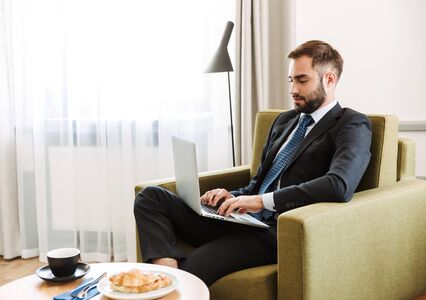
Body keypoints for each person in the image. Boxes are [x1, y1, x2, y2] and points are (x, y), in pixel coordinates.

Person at [134, 40, 372, 286]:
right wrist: (231, 197)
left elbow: (339, 185)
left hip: (278, 230)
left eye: (302, 80)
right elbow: (258, 183)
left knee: (196, 266)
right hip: (243, 219)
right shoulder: (284, 121)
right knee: (150, 197)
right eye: (291, 80)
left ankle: (170, 284)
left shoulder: (351, 124)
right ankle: (166, 273)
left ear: (329, 79)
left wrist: (260, 202)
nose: (292, 90)